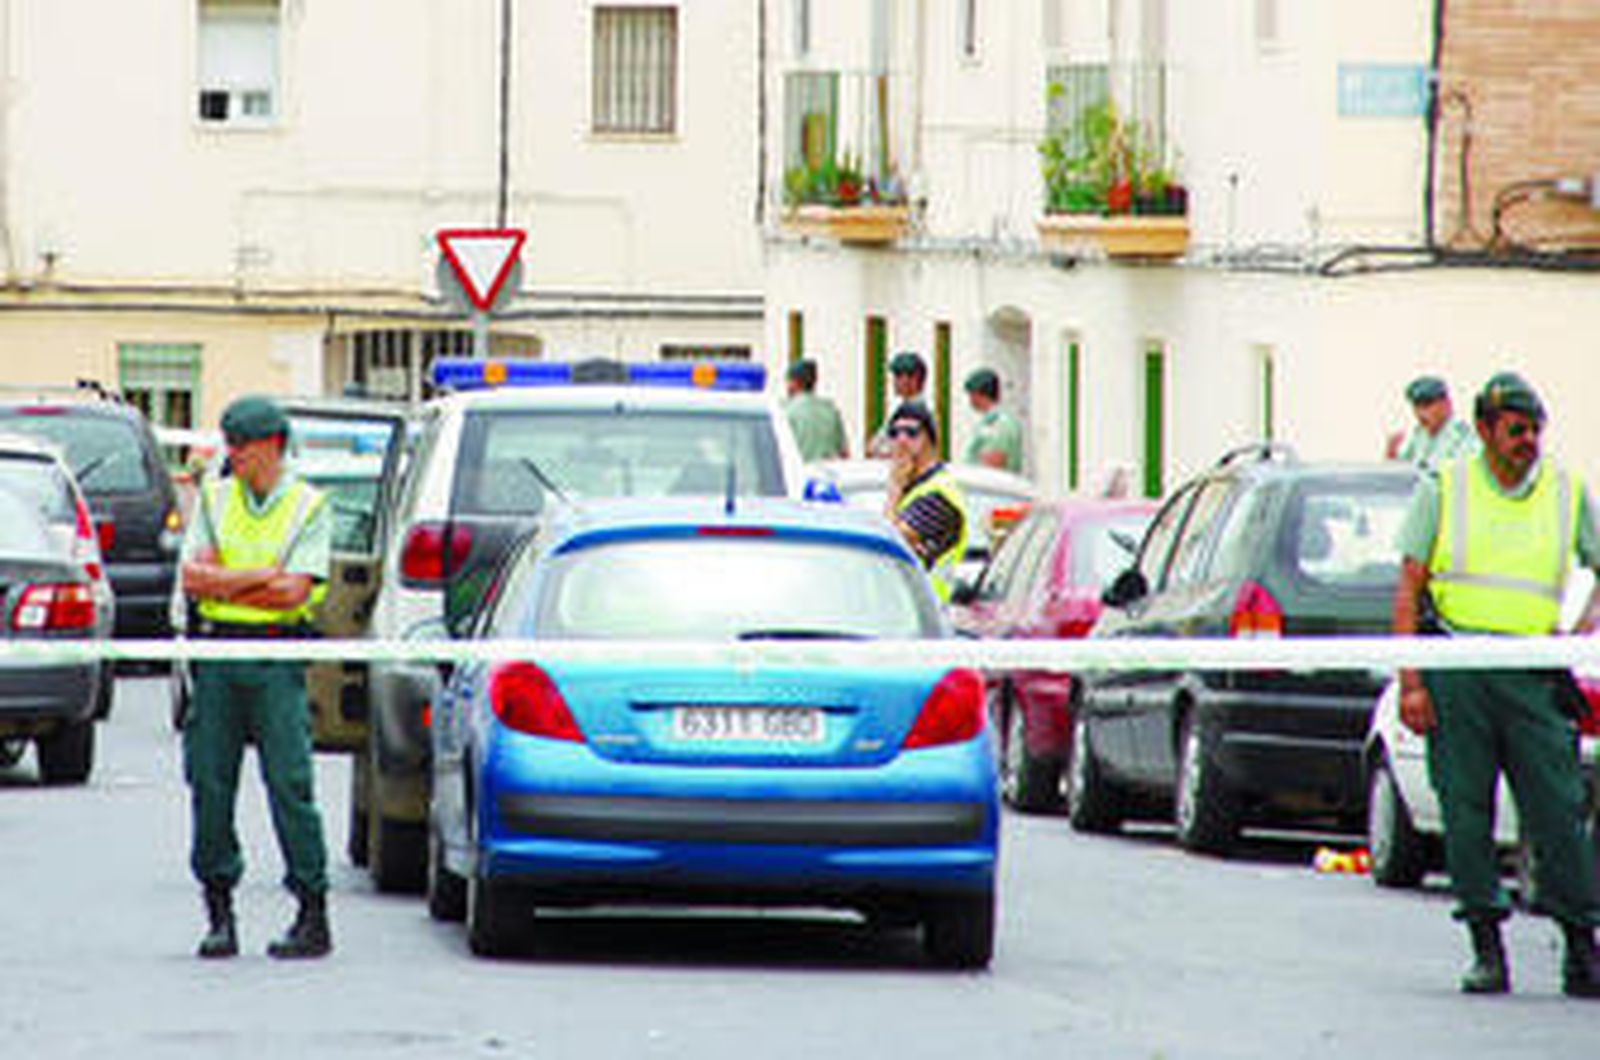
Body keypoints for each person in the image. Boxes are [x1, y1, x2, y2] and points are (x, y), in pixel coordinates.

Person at [1392, 371, 1600, 998]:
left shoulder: (1566, 492)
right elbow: (1409, 587)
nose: (1527, 441)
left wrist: (1577, 634)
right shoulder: (1444, 487)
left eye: (1535, 430)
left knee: (1558, 811)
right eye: (1515, 429)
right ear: (1484, 430)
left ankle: (1580, 944)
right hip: (1460, 671)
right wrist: (1411, 683)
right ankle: (1485, 944)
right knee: (1465, 811)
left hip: (1532, 674)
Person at [179, 395, 335, 960]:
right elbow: (194, 579)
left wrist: (227, 581)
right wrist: (258, 576)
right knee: (210, 784)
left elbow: (294, 592)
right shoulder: (215, 498)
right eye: (230, 443)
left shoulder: (308, 505)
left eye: (242, 444)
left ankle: (312, 912)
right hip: (218, 656)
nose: (233, 453)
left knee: (290, 784)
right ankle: (219, 913)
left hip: (275, 657)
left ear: (272, 445)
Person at [881, 401, 969, 602]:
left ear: (931, 441)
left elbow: (889, 543)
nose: (901, 441)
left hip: (931, 607)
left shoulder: (939, 494)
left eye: (911, 433)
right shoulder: (913, 489)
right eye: (894, 433)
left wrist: (894, 488)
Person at [1385, 374, 1479, 471]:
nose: (1421, 413)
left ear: (1446, 404)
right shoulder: (1418, 435)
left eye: (1427, 405)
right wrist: (1392, 456)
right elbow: (1400, 471)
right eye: (1417, 406)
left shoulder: (1461, 436)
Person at [783, 358, 848, 462]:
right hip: (827, 471)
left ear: (794, 382)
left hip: (798, 470)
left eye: (788, 381)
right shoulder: (830, 410)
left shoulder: (786, 411)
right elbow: (844, 453)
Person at [867, 351, 930, 457]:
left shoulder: (915, 412)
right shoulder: (903, 409)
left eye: (898, 376)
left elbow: (900, 449)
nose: (895, 382)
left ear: (914, 379)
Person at [962, 367, 1024, 473]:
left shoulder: (1000, 423)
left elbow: (994, 462)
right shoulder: (989, 422)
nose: (970, 399)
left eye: (971, 394)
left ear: (978, 393)